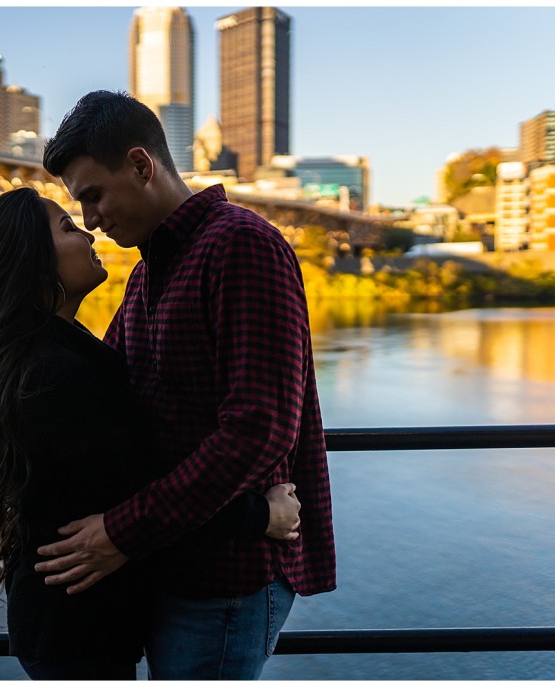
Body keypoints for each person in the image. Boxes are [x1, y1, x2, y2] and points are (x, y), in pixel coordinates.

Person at [0, 186, 304, 680]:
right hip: (78, 627)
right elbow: (141, 483)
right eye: (67, 227)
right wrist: (262, 514)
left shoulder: (44, 354)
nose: (87, 228)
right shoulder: (52, 373)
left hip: (69, 620)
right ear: (31, 262)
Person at [34, 90, 336, 680]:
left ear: (142, 166)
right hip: (175, 566)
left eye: (93, 196)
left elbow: (259, 431)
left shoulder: (241, 246)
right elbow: (115, 403)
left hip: (225, 580)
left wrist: (121, 533)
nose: (91, 219)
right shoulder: (151, 271)